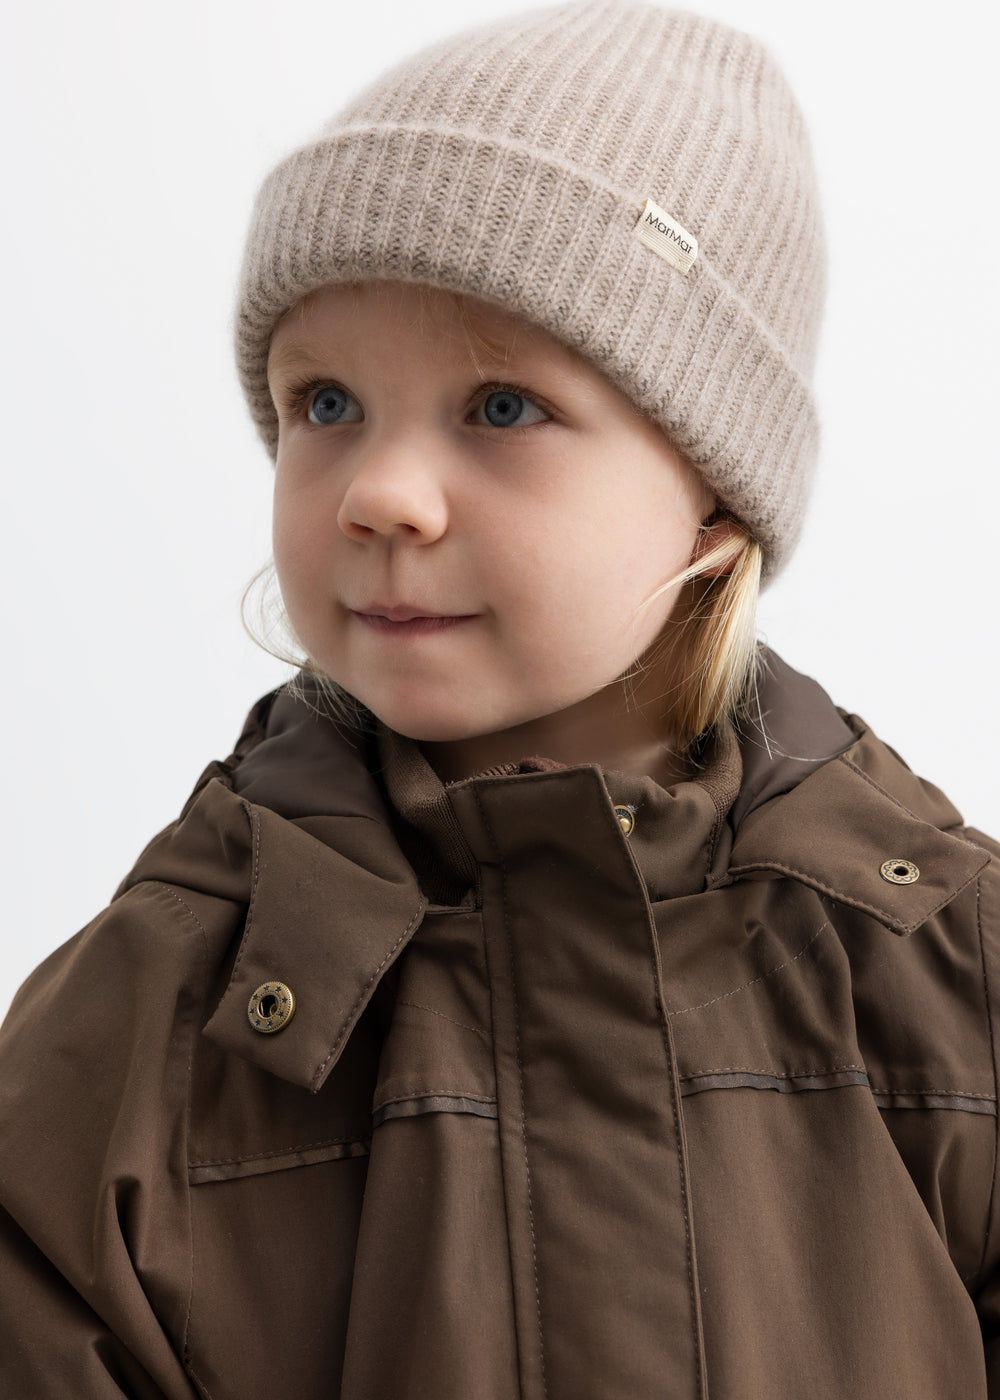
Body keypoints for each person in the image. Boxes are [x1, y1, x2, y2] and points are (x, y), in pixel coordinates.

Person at [1, 1, 998, 1395]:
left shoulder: (945, 967)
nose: (379, 494)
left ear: (716, 496)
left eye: (503, 409)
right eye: (326, 404)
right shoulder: (140, 1025)